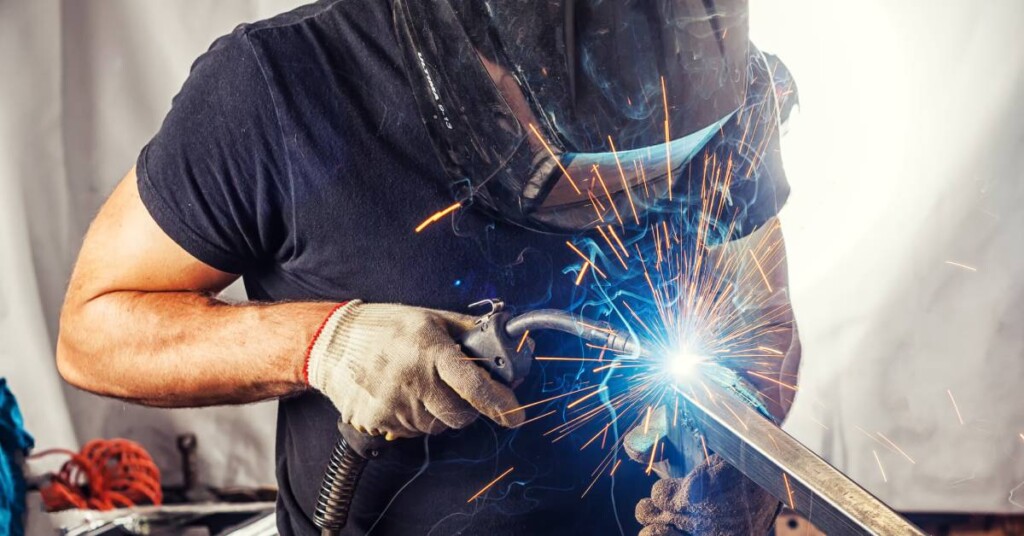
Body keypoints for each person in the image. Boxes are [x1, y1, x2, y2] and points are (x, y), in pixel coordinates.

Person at [56, 1, 800, 534]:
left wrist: (741, 460)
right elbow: (94, 329)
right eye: (592, 169)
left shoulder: (722, 98)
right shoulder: (282, 83)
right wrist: (322, 346)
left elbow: (762, 326)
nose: (622, 199)